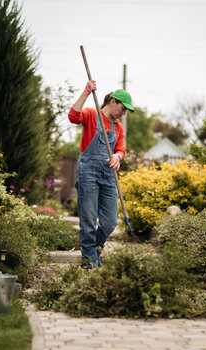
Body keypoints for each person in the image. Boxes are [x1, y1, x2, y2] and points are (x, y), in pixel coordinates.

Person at [68, 80, 135, 269]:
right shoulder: (91, 115)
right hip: (88, 171)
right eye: (123, 108)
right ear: (112, 102)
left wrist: (117, 156)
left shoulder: (118, 128)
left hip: (108, 176)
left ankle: (95, 250)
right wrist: (86, 92)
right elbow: (73, 116)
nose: (123, 113)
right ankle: (90, 261)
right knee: (88, 220)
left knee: (110, 221)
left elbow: (121, 149)